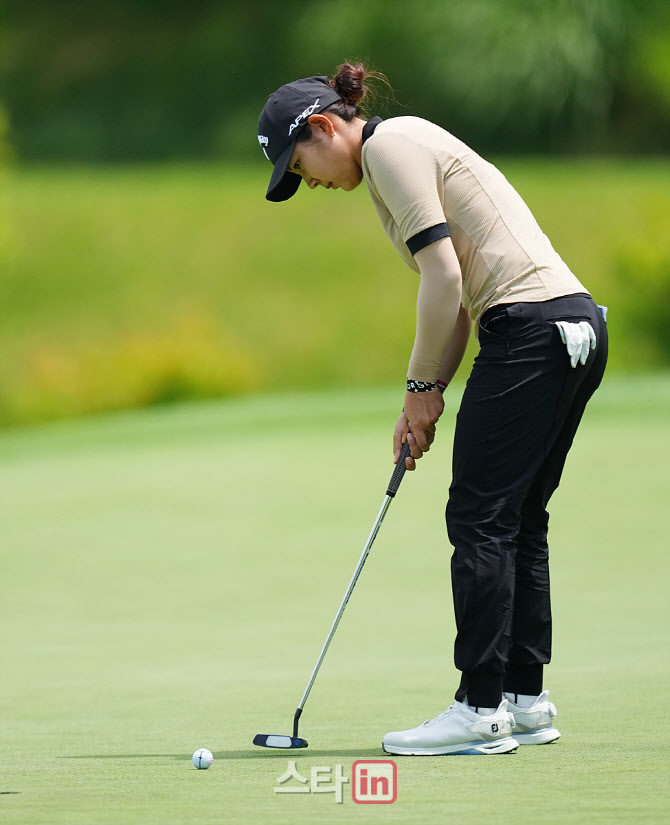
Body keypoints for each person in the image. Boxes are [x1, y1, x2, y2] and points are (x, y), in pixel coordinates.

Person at [257, 62, 608, 756]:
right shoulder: (403, 148)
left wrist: (419, 390)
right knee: (517, 520)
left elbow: (443, 278)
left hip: (528, 330)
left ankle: (478, 709)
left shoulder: (389, 147)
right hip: (573, 328)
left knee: (478, 518)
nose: (311, 184)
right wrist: (427, 394)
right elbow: (457, 299)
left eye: (301, 166)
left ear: (323, 127)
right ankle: (523, 699)